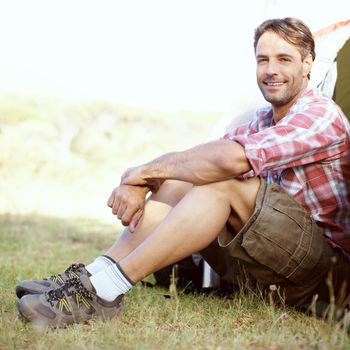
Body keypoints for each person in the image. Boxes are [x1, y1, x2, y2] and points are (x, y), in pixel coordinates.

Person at [16, 17, 350, 328]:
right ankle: (92, 275)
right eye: (263, 60)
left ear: (308, 64)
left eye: (284, 59)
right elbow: (199, 161)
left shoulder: (319, 114)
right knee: (187, 177)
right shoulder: (261, 120)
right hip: (274, 263)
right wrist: (140, 180)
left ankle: (106, 290)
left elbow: (227, 162)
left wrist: (140, 171)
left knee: (221, 184)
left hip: (325, 272)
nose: (271, 70)